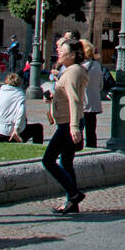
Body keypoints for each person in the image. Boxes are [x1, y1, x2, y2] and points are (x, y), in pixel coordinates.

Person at [43, 36, 87, 214]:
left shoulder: (72, 72)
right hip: (68, 121)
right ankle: (72, 202)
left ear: (74, 55)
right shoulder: (72, 70)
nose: (58, 53)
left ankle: (73, 193)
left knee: (48, 160)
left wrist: (74, 127)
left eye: (63, 51)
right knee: (66, 162)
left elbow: (75, 100)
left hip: (68, 123)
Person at [0, 72, 43, 144]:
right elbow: (21, 113)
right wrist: (16, 130)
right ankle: (37, 149)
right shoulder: (19, 94)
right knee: (38, 128)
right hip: (7, 134)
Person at [80, 39, 103, 148]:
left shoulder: (80, 67)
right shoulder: (97, 65)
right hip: (94, 102)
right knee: (91, 130)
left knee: (79, 128)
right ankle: (92, 148)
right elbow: (101, 85)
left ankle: (77, 148)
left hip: (82, 102)